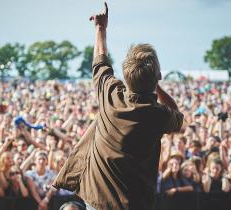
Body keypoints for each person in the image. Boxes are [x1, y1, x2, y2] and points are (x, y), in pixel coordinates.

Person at [53, 2, 184, 210]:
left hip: (98, 202)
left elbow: (100, 60)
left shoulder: (111, 96)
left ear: (126, 76)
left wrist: (100, 28)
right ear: (157, 76)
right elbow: (178, 116)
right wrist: (157, 85)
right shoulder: (159, 116)